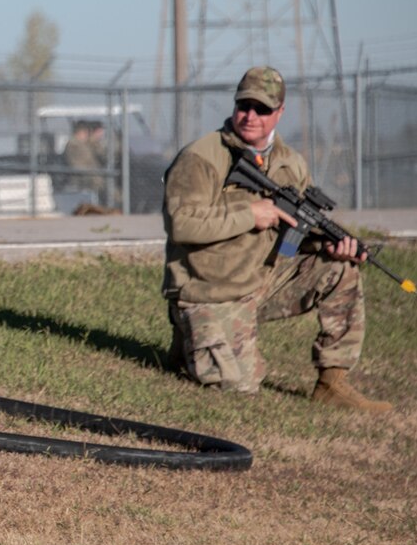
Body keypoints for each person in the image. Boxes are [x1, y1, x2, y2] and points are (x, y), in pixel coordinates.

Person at [162, 66, 390, 413]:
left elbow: (296, 235)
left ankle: (332, 383)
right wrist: (249, 215)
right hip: (210, 290)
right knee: (240, 386)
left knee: (340, 270)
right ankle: (189, 340)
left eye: (262, 109)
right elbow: (180, 224)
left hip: (263, 282)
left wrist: (327, 246)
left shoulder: (290, 164)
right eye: (244, 106)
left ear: (280, 112)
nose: (250, 116)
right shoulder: (201, 157)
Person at [61, 119, 108, 202]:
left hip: (92, 174)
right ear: (80, 132)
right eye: (86, 132)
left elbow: (99, 151)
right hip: (83, 177)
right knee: (103, 185)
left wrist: (94, 139)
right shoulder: (74, 145)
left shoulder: (84, 144)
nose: (87, 135)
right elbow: (77, 165)